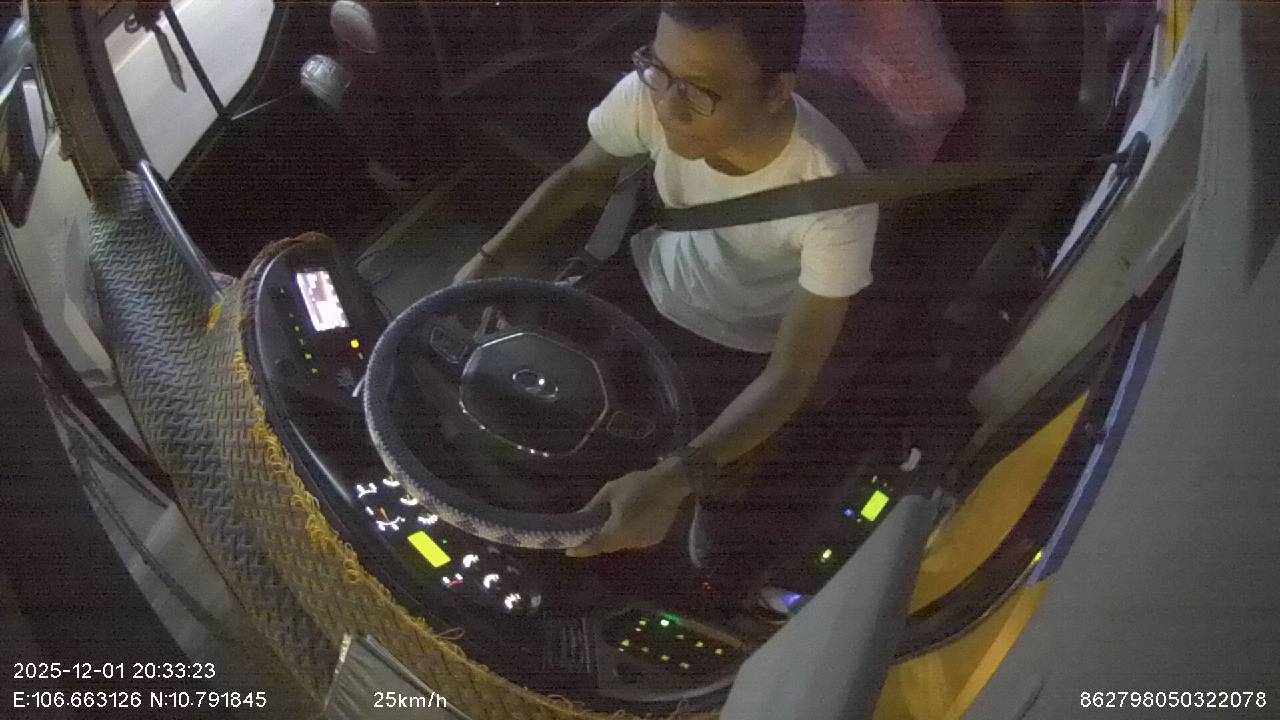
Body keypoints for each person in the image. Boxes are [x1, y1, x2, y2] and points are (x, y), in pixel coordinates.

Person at [452, 1, 878, 570]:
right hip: (646, 277)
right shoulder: (649, 93)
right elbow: (581, 175)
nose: (668, 107)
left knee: (643, 494)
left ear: (777, 91)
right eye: (658, 69)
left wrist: (674, 481)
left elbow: (791, 375)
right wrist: (489, 259)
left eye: (701, 91)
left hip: (738, 346)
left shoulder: (835, 199)